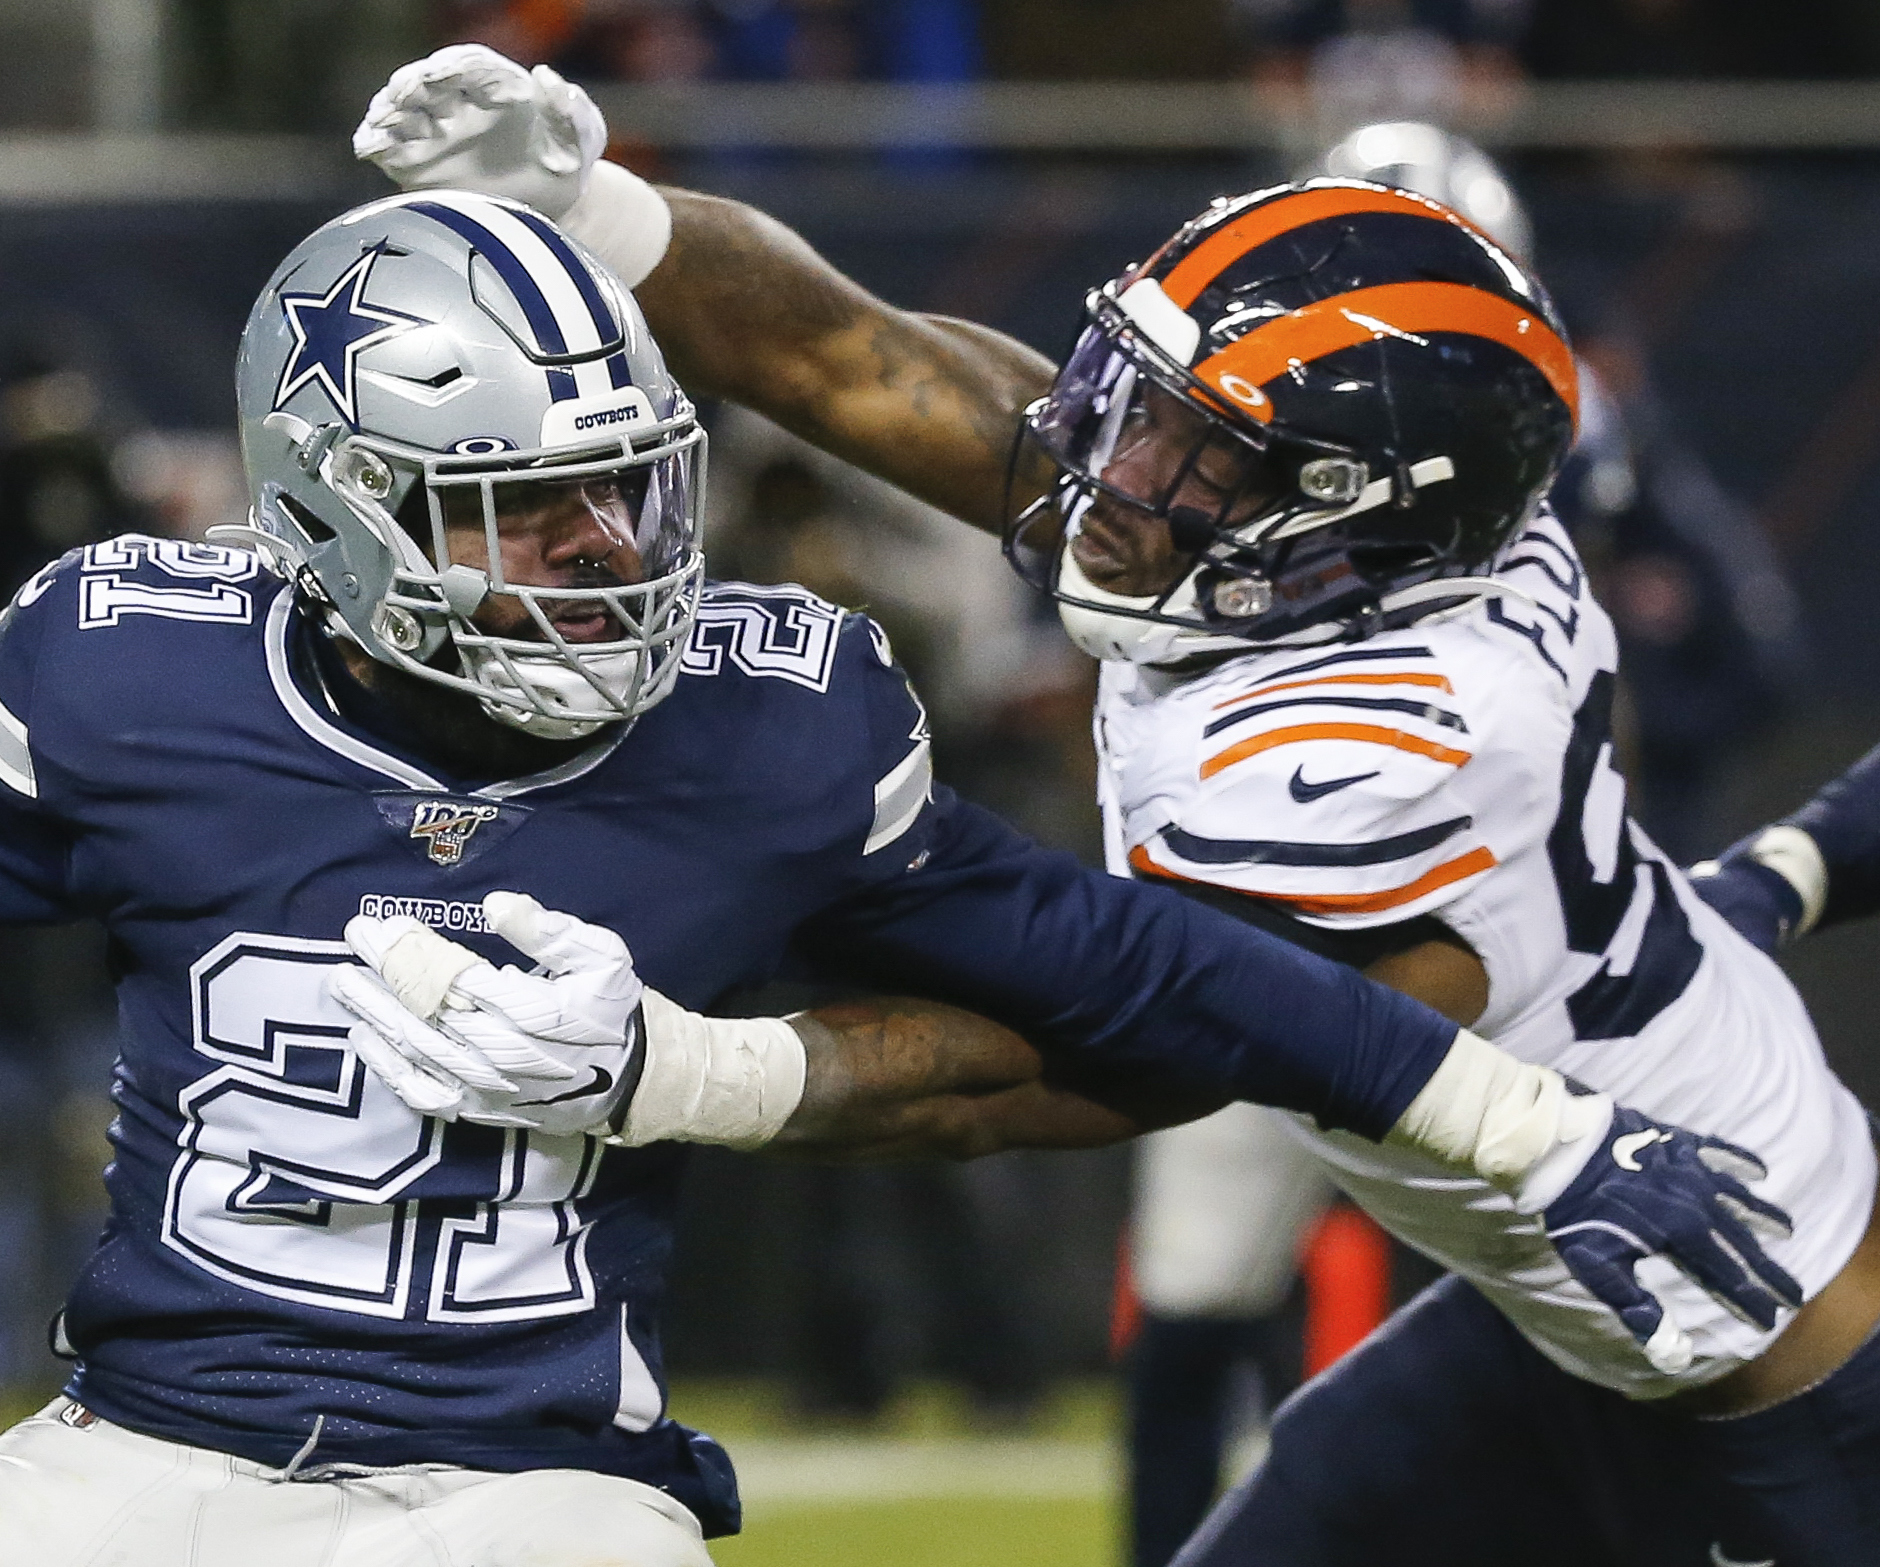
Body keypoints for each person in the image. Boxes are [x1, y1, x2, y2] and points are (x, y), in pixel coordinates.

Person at [0, 192, 1782, 1566]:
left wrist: (1523, 1124)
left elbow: (1126, 962)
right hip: (148, 1439)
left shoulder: (769, 720)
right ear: (334, 503)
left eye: (626, 491)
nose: (609, 561)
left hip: (530, 1479)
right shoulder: (131, 673)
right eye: (531, 511)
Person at [345, 46, 1880, 1565]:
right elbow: (854, 357)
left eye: (1191, 447)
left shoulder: (1376, 758)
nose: (1115, 462)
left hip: (1769, 1354)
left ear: (1344, 513)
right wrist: (597, 216)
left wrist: (686, 1073)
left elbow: (1063, 1064)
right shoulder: (1362, 547)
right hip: (1565, 1308)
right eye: (1141, 401)